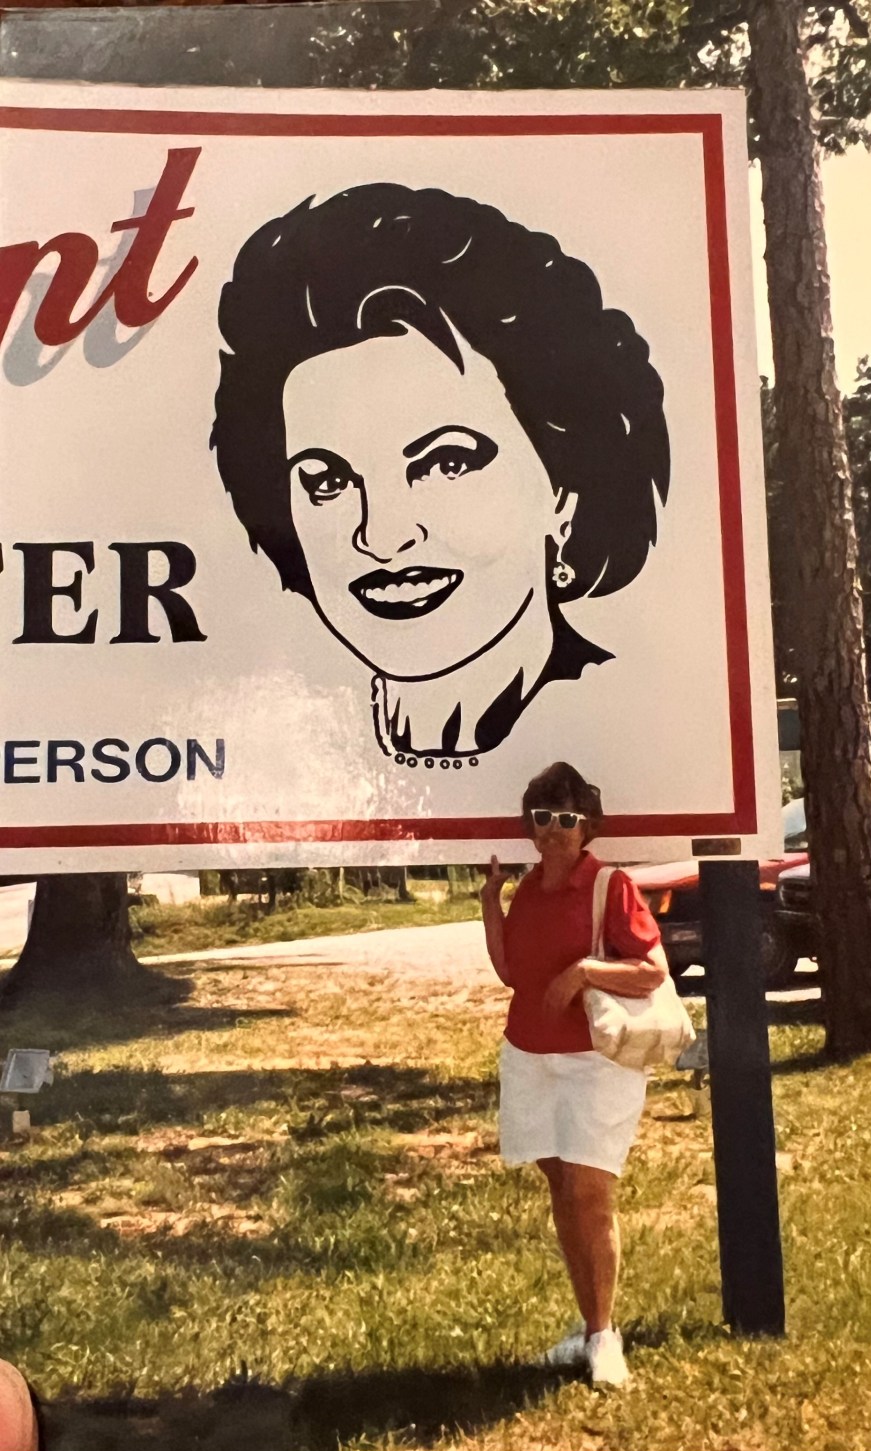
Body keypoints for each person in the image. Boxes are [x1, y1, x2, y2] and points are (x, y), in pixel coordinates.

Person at [212, 184, 670, 767]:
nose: (381, 536)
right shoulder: (284, 753)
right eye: (327, 481)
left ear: (563, 490)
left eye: (445, 463)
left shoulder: (629, 732)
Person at [481, 761, 669, 1387]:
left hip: (595, 1061)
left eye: (567, 819)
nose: (555, 830)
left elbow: (650, 972)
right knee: (562, 1190)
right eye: (544, 819)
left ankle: (605, 1336)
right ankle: (588, 1325)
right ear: (530, 827)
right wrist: (490, 902)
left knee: (591, 1192)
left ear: (586, 825)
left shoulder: (608, 885)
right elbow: (511, 972)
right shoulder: (529, 888)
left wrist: (584, 971)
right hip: (530, 1057)